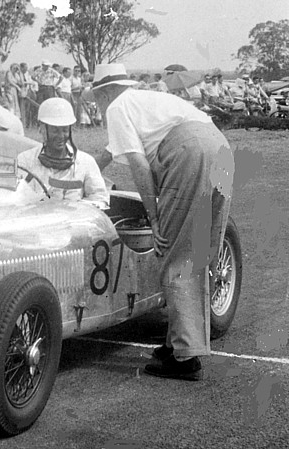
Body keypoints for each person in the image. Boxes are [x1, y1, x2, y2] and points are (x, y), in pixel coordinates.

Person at [92, 63, 234, 381]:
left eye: (97, 99)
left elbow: (139, 166)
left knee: (177, 253)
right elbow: (108, 153)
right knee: (202, 249)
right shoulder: (142, 101)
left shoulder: (116, 108)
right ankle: (178, 343)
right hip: (218, 146)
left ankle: (185, 358)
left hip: (189, 153)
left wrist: (154, 217)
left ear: (104, 93)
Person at [18, 97, 109, 204]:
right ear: (42, 129)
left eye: (65, 130)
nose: (61, 136)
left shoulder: (86, 162)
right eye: (55, 131)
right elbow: (14, 199)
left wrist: (73, 207)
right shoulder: (25, 161)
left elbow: (100, 199)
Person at [19, 62, 37, 128]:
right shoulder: (19, 74)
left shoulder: (27, 74)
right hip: (23, 92)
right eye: (25, 68)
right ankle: (24, 123)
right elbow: (22, 83)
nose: (26, 69)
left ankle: (29, 124)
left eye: (27, 68)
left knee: (30, 108)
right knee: (24, 108)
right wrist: (29, 83)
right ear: (21, 68)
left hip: (29, 91)